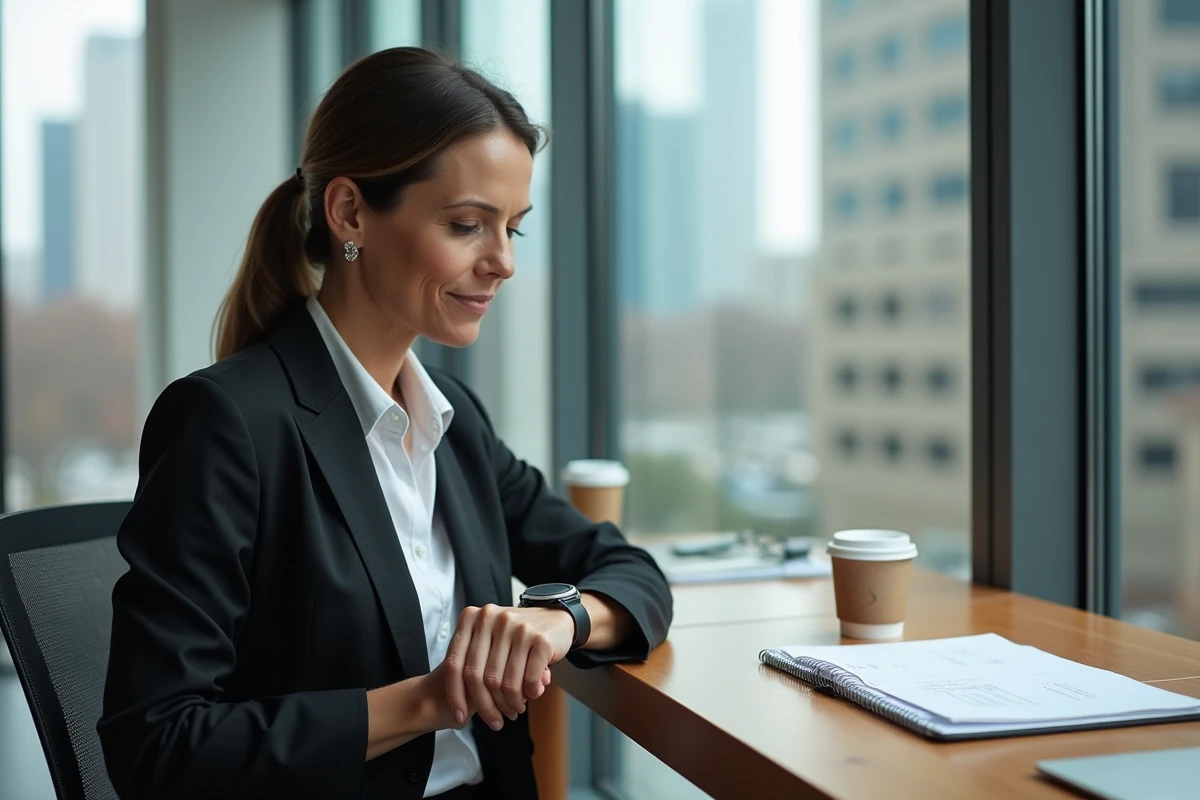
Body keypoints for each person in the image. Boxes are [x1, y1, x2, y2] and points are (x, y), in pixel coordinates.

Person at [98, 46, 673, 800]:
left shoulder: (452, 421)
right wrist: (433, 699)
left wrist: (559, 621)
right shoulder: (227, 424)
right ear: (349, 213)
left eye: (514, 230)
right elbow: (159, 747)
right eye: (468, 225)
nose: (501, 261)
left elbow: (634, 574)